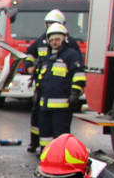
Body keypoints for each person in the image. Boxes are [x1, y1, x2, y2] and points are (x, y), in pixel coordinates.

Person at [24, 9, 80, 151]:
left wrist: (75, 92)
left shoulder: (70, 50)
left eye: (54, 23)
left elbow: (78, 72)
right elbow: (31, 55)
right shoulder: (45, 46)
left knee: (59, 131)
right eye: (48, 23)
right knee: (41, 125)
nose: (54, 42)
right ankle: (40, 148)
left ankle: (58, 156)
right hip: (44, 95)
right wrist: (29, 67)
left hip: (62, 98)